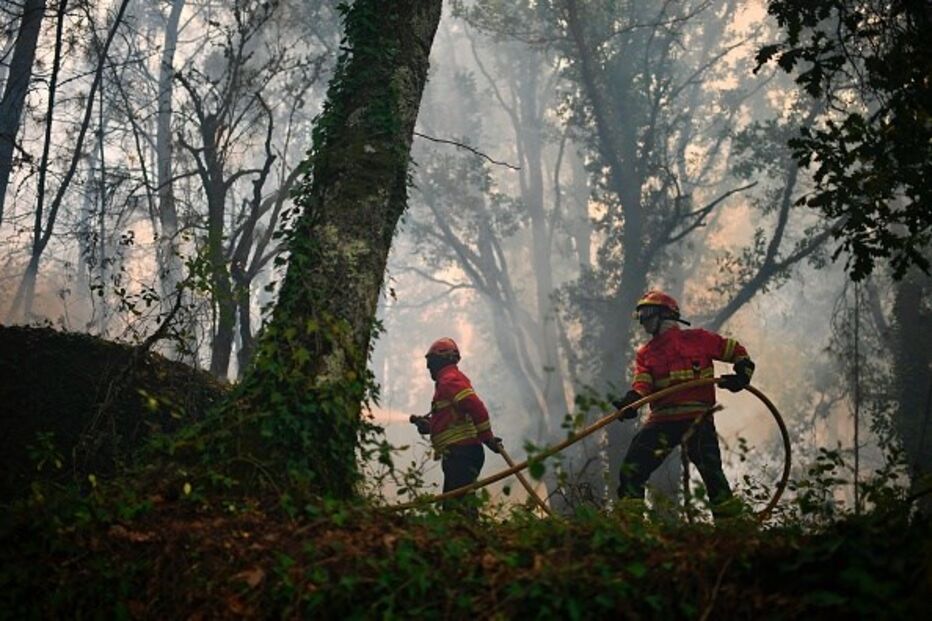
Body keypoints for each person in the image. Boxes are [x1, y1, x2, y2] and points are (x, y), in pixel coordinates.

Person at [612, 290, 755, 519]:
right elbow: (643, 385)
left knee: (713, 476)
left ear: (666, 314)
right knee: (632, 470)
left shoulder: (699, 339)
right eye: (640, 315)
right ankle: (631, 526)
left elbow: (736, 351)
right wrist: (632, 400)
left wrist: (742, 372)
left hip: (697, 421)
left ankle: (730, 531)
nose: (643, 320)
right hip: (662, 422)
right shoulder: (646, 354)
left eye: (647, 313)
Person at [410, 337, 502, 512]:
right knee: (457, 505)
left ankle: (466, 537)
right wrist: (429, 426)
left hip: (462, 453)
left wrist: (487, 438)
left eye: (430, 362)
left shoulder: (449, 380)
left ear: (439, 360)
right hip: (460, 452)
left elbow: (476, 407)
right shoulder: (448, 382)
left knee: (457, 509)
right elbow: (453, 420)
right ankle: (467, 535)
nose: (428, 367)